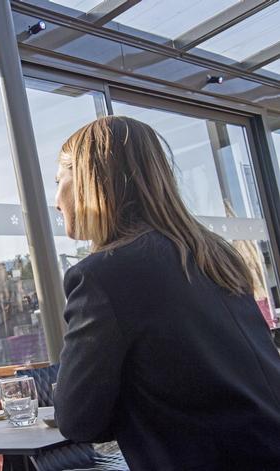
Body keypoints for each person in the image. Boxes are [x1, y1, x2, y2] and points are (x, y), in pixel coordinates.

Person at [52, 116, 280, 471]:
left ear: (86, 180)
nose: (56, 201)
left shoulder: (102, 276)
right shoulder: (216, 255)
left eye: (59, 181)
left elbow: (77, 420)